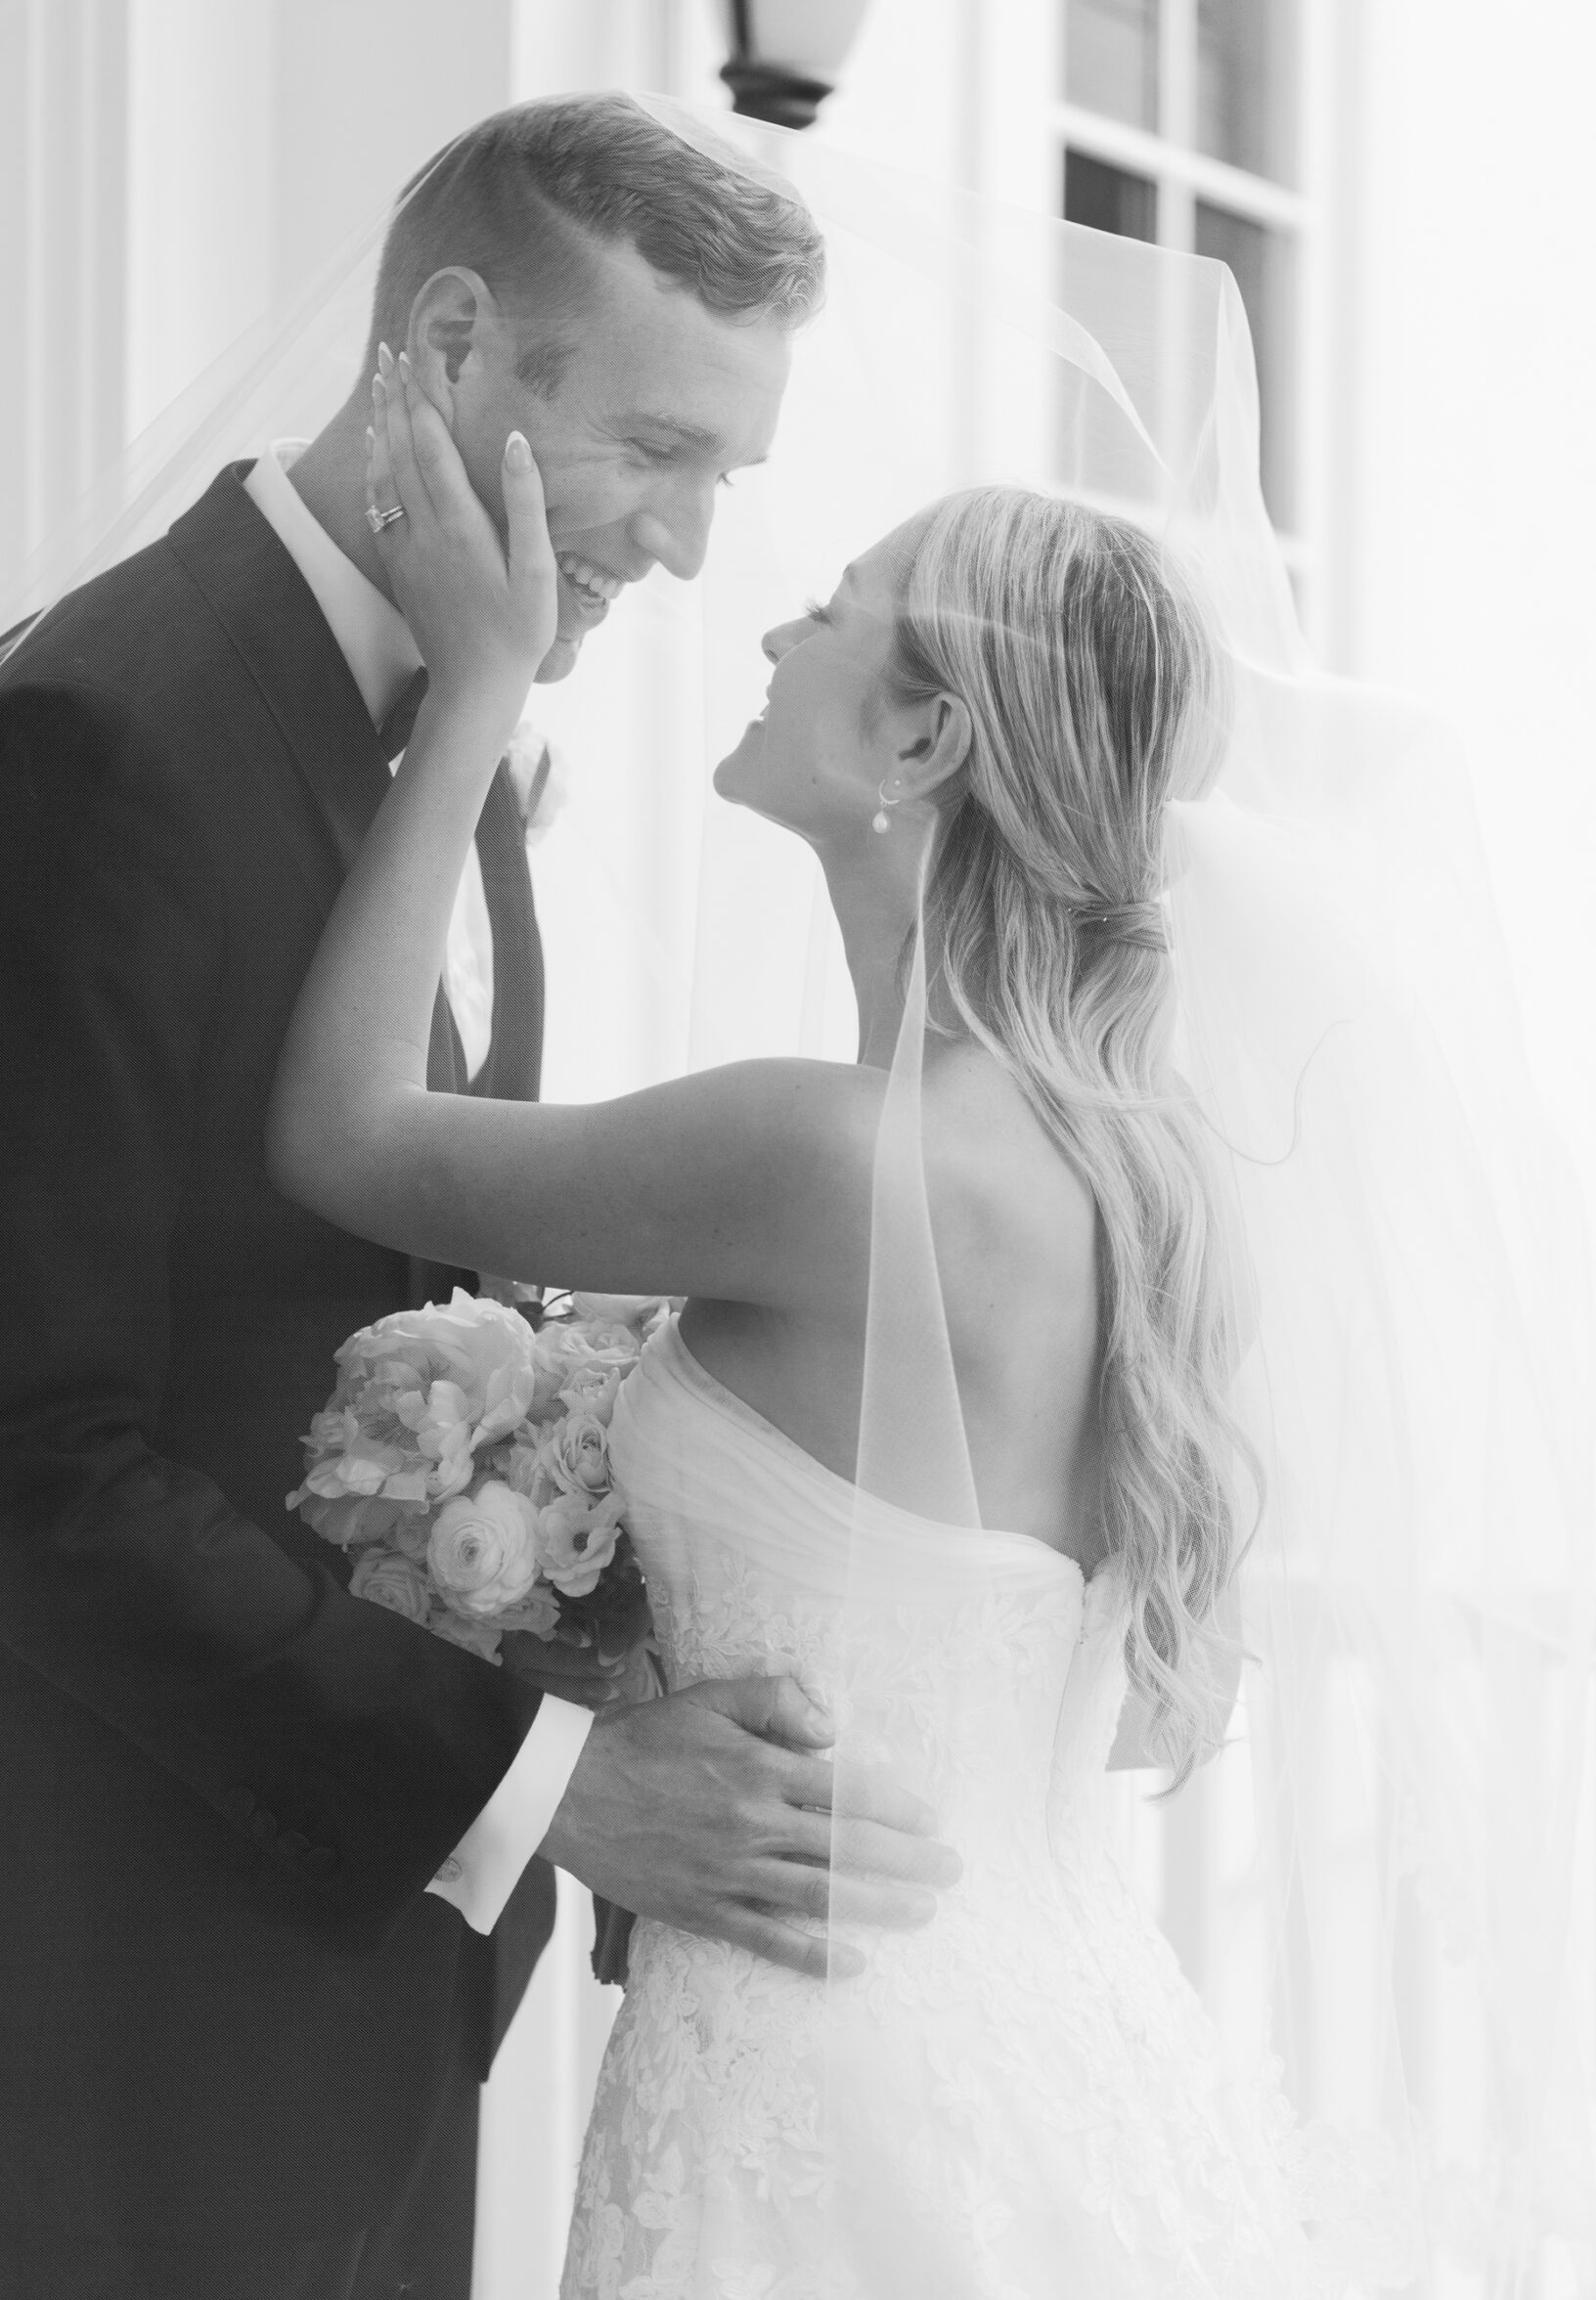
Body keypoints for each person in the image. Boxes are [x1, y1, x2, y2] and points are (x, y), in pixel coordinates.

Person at [0, 96, 957, 2300]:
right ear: (453, 344)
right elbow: (25, 1466)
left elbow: (409, 1301)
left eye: (726, 471)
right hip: (146, 1998)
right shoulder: (104, 734)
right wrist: (549, 1785)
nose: (685, 539)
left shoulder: (459, 727)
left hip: (373, 1961)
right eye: (658, 446)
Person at [267, 335, 1343, 2296]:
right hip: (1057, 2056)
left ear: (926, 741)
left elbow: (338, 1132)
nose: (772, 631)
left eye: (834, 609)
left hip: (825, 2090)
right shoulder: (1129, 1169)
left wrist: (479, 682)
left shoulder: (833, 1159)